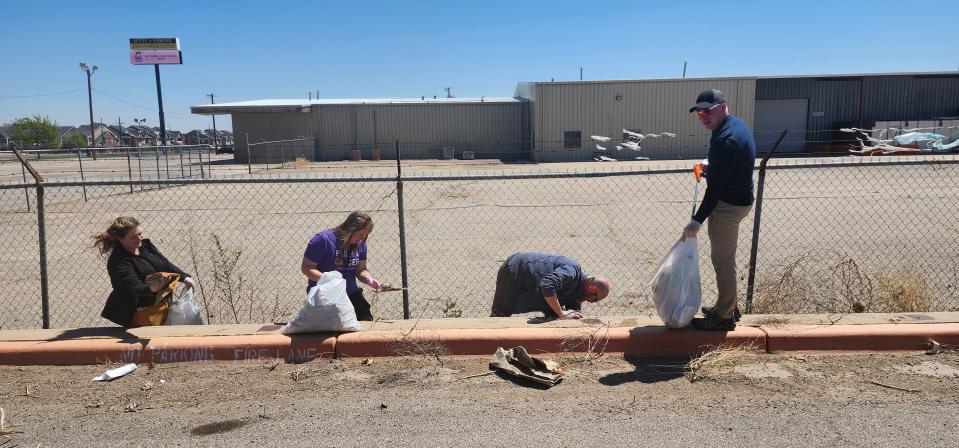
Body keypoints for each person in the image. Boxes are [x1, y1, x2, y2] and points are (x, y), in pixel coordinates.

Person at [682, 89, 757, 331]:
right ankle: (729, 305)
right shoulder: (731, 126)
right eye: (699, 112)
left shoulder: (727, 138)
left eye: (708, 110)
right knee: (725, 258)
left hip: (728, 205)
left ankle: (724, 316)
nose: (703, 115)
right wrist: (709, 167)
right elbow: (725, 169)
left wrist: (697, 220)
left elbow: (715, 189)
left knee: (722, 260)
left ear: (723, 107)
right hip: (736, 198)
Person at [94, 216, 195, 327]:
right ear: (120, 239)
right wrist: (152, 288)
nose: (139, 239)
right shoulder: (118, 261)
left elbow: (165, 264)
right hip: (136, 312)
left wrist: (185, 278)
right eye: (133, 237)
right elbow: (134, 288)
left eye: (140, 234)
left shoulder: (144, 247)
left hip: (158, 308)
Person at [301, 211, 381, 321]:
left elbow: (360, 270)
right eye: (361, 234)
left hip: (351, 294)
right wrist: (327, 279)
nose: (362, 238)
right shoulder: (323, 240)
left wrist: (368, 278)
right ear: (351, 229)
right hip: (324, 295)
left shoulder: (361, 244)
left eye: (365, 236)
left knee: (365, 321)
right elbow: (306, 267)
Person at [490, 252, 610, 319]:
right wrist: (562, 313)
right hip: (516, 271)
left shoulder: (578, 289)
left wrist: (571, 313)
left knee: (554, 315)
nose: (590, 300)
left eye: (595, 300)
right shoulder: (572, 271)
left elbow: (572, 308)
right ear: (590, 283)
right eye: (593, 295)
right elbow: (547, 285)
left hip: (528, 277)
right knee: (499, 315)